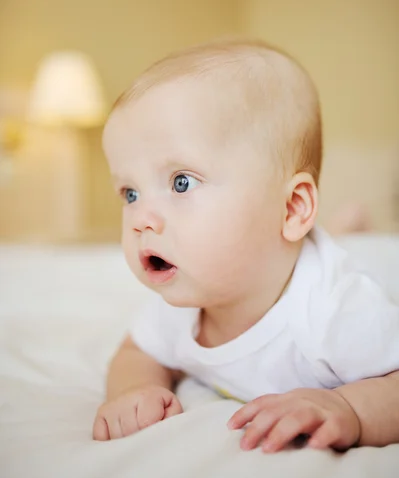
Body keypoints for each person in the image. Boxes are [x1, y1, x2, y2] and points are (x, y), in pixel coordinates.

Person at [93, 39, 399, 452]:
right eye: (130, 193)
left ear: (291, 208)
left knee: (369, 249)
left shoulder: (334, 310)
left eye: (181, 182)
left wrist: (348, 407)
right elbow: (137, 351)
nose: (141, 219)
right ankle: (346, 226)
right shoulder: (182, 303)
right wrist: (133, 390)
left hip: (365, 260)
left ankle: (353, 229)